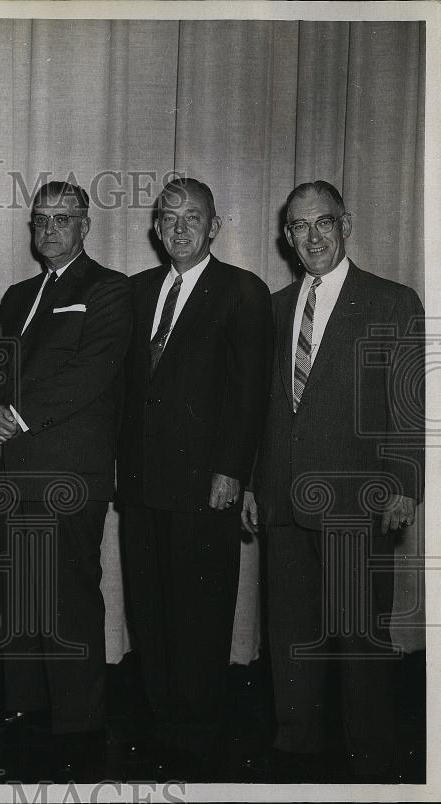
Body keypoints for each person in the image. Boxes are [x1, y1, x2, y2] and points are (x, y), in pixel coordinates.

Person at [243, 180, 424, 782]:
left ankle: (372, 759)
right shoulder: (274, 306)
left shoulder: (391, 301)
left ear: (346, 224)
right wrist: (252, 483)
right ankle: (296, 746)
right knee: (289, 631)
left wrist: (404, 482)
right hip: (282, 496)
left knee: (357, 637)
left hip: (358, 498)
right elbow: (264, 409)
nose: (312, 236)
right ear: (286, 236)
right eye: (299, 226)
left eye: (323, 222)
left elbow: (407, 400)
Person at [114, 177, 273, 775]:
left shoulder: (241, 290)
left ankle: (198, 733)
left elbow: (250, 393)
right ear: (156, 227)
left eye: (194, 217)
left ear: (215, 228)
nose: (180, 227)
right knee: (148, 608)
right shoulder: (135, 291)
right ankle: (159, 722)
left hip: (206, 484)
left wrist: (233, 470)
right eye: (169, 217)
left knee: (201, 611)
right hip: (143, 484)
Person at [0, 181, 132, 756]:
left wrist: (13, 414)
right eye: (40, 218)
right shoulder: (16, 296)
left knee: (67, 594)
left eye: (62, 219)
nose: (49, 229)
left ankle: (79, 724)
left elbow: (92, 372)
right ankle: (25, 707)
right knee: (20, 595)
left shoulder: (109, 289)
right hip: (10, 470)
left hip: (68, 473)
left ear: (85, 226)